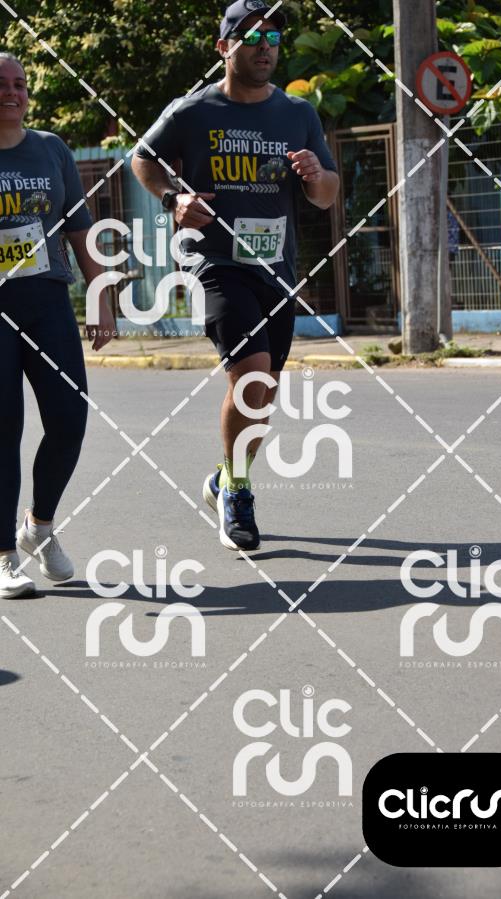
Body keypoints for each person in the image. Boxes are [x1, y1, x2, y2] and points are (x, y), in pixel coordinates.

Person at [132, 0, 340, 552]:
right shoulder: (193, 111)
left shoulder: (298, 114)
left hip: (276, 269)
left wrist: (315, 176)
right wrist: (173, 199)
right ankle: (239, 493)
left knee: (263, 390)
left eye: (273, 37)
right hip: (215, 262)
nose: (264, 46)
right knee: (251, 373)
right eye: (251, 37)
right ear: (224, 48)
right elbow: (142, 159)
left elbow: (326, 195)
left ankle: (225, 476)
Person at [0, 52, 116, 598]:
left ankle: (39, 526)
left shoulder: (51, 149)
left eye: (20, 84)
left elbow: (78, 227)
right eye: (1, 84)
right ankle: (4, 555)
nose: (12, 92)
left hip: (47, 302)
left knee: (70, 420)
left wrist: (100, 296)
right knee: (4, 431)